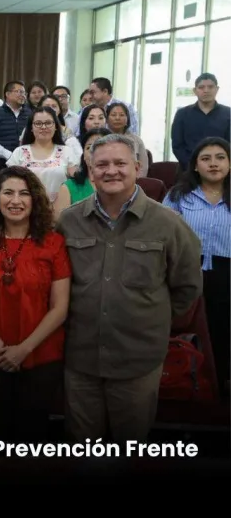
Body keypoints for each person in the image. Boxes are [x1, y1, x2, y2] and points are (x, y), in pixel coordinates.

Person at [57, 134, 202, 443]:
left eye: (121, 163)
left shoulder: (169, 224)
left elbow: (187, 287)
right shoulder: (68, 222)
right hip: (80, 359)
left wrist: (151, 322)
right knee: (82, 448)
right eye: (102, 164)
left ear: (137, 167)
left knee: (130, 449)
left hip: (138, 361)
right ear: (91, 170)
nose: (112, 171)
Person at [0, 166, 71, 442]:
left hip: (40, 355)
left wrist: (23, 349)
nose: (15, 200)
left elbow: (60, 307)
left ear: (35, 199)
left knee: (31, 435)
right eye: (8, 192)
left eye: (24, 193)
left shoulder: (54, 243)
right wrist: (0, 349)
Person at [163, 137, 230, 398]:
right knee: (188, 328)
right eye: (206, 158)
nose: (213, 164)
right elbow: (165, 234)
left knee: (222, 329)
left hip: (227, 273)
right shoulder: (178, 195)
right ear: (195, 166)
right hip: (187, 270)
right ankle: (186, 380)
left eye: (220, 157)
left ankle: (221, 384)